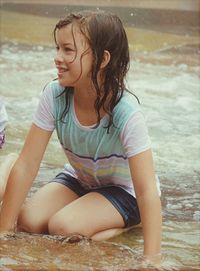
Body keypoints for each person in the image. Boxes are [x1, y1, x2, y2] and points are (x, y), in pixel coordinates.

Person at [0, 11, 162, 266]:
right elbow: (27, 163)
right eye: (58, 48)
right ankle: (95, 222)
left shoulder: (125, 111)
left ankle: (128, 224)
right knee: (27, 222)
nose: (57, 58)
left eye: (68, 50)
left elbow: (146, 189)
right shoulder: (55, 95)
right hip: (80, 178)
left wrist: (152, 259)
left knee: (63, 227)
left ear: (103, 59)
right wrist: (4, 232)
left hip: (124, 191)